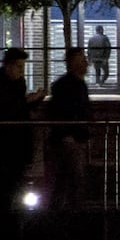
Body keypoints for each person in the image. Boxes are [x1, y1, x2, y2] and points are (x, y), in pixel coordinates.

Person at [0, 47, 46, 212]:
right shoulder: (1, 87)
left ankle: (1, 217)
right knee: (8, 185)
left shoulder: (14, 84)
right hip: (4, 145)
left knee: (11, 185)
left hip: (16, 144)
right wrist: (28, 101)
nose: (22, 72)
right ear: (9, 66)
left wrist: (34, 101)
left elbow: (18, 109)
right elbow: (7, 110)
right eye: (19, 67)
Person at [45, 47, 93, 211]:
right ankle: (67, 216)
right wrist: (67, 134)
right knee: (71, 180)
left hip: (72, 139)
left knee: (68, 181)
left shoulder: (75, 85)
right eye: (82, 59)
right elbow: (58, 112)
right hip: (69, 140)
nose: (86, 62)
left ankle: (63, 214)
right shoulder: (68, 86)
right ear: (73, 63)